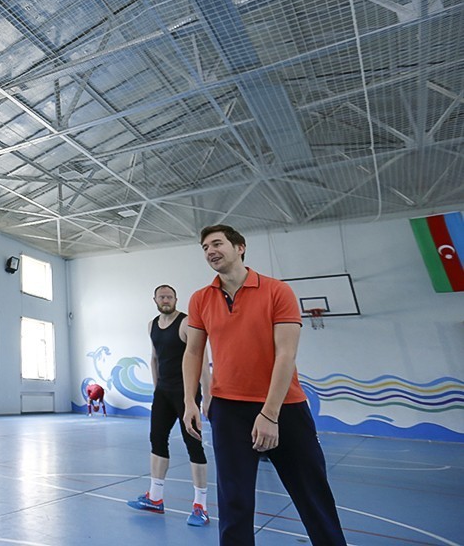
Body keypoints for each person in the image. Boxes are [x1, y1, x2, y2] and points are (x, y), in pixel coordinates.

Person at [182, 225, 346, 545]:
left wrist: (270, 413)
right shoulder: (200, 299)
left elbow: (286, 354)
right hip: (228, 409)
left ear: (240, 247)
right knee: (234, 500)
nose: (210, 251)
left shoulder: (277, 291)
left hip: (284, 407)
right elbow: (193, 351)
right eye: (205, 247)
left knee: (312, 493)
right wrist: (190, 400)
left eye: (217, 243)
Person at [128, 284, 210, 526]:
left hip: (186, 394)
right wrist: (157, 389)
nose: (166, 300)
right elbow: (154, 358)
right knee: (157, 440)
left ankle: (201, 506)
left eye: (170, 297)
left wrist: (207, 396)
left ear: (176, 299)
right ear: (155, 299)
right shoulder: (152, 325)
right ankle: (155, 498)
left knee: (193, 445)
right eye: (162, 297)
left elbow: (202, 360)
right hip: (163, 394)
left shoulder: (186, 323)